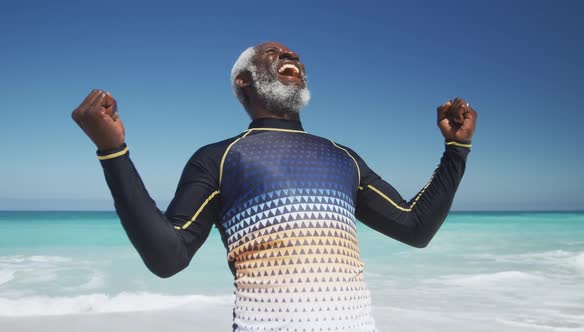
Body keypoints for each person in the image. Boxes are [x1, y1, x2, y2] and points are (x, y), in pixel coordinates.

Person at [71, 41, 477, 332]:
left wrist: (456, 148)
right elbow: (168, 257)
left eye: (295, 55)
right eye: (274, 53)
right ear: (244, 81)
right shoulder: (220, 159)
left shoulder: (343, 157)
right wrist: (113, 152)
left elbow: (415, 226)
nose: (292, 57)